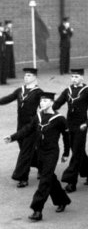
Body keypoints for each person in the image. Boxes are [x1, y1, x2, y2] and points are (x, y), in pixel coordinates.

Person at [4, 92, 71, 221]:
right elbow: (27, 129)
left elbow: (66, 137)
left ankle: (37, 210)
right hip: (40, 152)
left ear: (52, 102)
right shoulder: (38, 116)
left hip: (52, 153)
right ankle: (62, 200)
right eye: (41, 101)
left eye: (45, 101)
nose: (42, 103)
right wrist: (12, 137)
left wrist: (66, 153)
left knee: (44, 180)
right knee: (50, 178)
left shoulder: (59, 119)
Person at [53, 68, 88, 193]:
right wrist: (49, 108)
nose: (74, 79)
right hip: (69, 125)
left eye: (77, 77)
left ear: (82, 78)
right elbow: (58, 103)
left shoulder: (87, 91)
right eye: (72, 76)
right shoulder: (68, 90)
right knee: (77, 151)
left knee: (77, 152)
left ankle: (71, 181)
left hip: (81, 126)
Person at [0, 68, 43, 187]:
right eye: (25, 76)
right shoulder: (20, 90)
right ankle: (42, 166)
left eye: (29, 75)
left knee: (25, 152)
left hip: (31, 126)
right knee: (27, 151)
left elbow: (45, 108)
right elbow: (8, 98)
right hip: (20, 126)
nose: (26, 77)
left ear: (35, 77)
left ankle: (23, 178)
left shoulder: (38, 92)